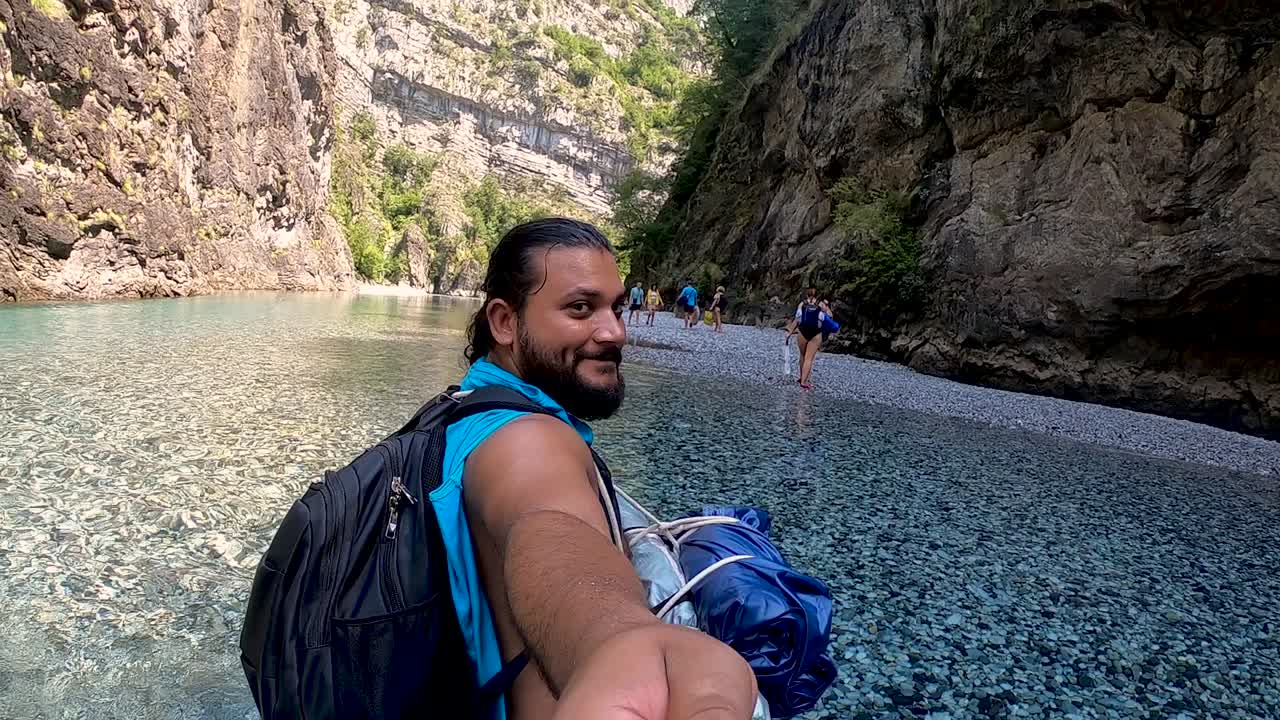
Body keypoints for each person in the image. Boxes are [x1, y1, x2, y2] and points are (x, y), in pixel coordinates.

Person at [449, 218, 757, 719]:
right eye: (580, 308)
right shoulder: (527, 439)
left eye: (616, 307)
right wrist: (619, 640)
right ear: (504, 322)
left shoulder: (465, 408)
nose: (615, 331)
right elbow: (548, 526)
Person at [784, 287, 826, 390]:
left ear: (807, 295)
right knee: (809, 359)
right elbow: (828, 317)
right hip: (816, 334)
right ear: (817, 295)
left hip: (802, 332)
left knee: (802, 355)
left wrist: (790, 331)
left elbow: (798, 319)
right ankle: (804, 382)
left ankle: (801, 377)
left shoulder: (802, 304)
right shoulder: (821, 305)